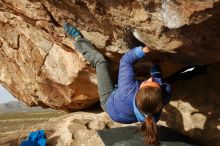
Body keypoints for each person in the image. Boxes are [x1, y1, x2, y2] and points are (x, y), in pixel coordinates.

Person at [64, 23, 171, 146]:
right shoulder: (159, 101)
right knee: (138, 83)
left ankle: (78, 39)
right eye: (155, 84)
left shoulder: (127, 90)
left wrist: (143, 50)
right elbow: (157, 78)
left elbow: (125, 61)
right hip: (126, 112)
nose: (151, 79)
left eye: (147, 83)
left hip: (109, 103)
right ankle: (120, 88)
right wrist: (155, 65)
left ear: (138, 90)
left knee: (100, 61)